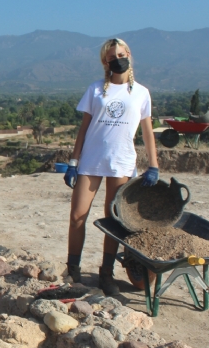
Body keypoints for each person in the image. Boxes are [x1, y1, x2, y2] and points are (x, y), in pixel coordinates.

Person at [64, 38, 159, 296]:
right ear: (105, 62)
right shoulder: (96, 90)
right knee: (77, 216)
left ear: (128, 53)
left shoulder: (141, 93)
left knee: (112, 221)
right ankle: (73, 269)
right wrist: (73, 161)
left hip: (122, 162)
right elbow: (84, 129)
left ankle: (107, 274)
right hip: (92, 161)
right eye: (111, 56)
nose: (117, 59)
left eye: (120, 53)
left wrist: (153, 165)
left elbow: (148, 133)